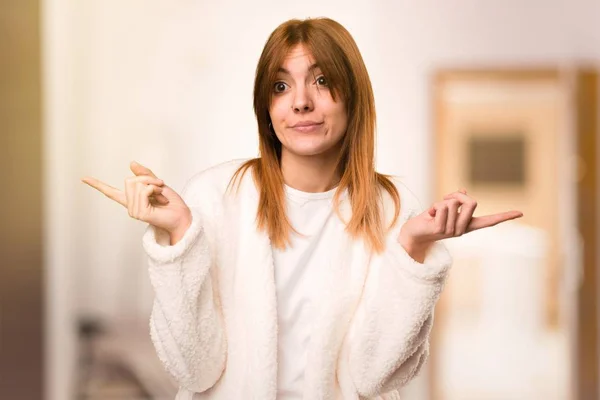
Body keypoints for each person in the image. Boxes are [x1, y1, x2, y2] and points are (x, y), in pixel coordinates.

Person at [82, 17, 522, 400]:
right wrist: (179, 237)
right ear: (266, 107)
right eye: (280, 86)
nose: (300, 102)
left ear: (353, 95)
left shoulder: (391, 209)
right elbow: (193, 370)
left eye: (322, 80)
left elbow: (375, 378)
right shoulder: (214, 196)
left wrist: (412, 251)